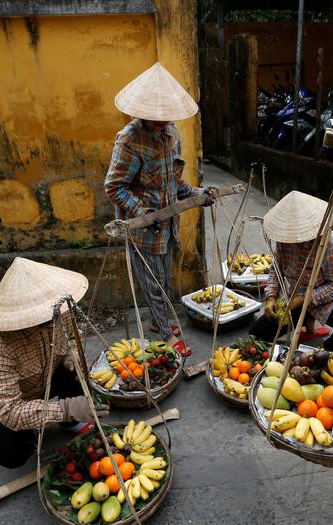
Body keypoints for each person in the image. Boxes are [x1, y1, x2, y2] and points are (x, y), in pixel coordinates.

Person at [105, 63, 216, 356]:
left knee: (164, 280)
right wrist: (142, 213)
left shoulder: (170, 134)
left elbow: (173, 184)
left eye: (164, 117)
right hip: (144, 229)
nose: (160, 122)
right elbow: (114, 188)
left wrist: (198, 193)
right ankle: (165, 333)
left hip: (168, 227)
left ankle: (158, 321)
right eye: (153, 118)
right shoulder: (129, 140)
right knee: (152, 283)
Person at [0, 257, 109, 469]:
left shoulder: (59, 312)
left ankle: (68, 422)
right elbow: (10, 410)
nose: (51, 318)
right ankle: (39, 423)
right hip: (2, 401)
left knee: (76, 373)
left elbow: (74, 338)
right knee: (12, 456)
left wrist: (70, 357)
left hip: (46, 376)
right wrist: (65, 407)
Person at [248, 190, 333, 351]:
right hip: (293, 300)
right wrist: (271, 297)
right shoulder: (284, 239)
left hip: (326, 301)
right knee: (256, 336)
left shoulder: (331, 244)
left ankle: (323, 351)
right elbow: (276, 269)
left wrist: (305, 298)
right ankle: (306, 322)